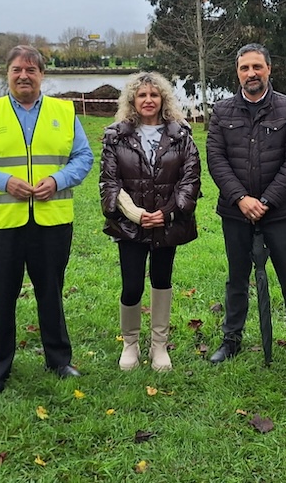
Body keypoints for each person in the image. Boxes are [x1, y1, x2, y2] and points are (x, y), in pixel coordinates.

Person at [0, 45, 93, 397]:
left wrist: (57, 181)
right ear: (8, 74)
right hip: (2, 222)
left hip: (51, 221)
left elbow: (84, 157)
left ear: (42, 75)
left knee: (52, 292)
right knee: (1, 297)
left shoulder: (64, 112)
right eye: (17, 69)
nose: (23, 76)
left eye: (31, 70)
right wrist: (3, 181)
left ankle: (59, 360)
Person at [205, 43, 286, 367]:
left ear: (269, 69)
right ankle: (231, 340)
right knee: (236, 278)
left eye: (257, 67)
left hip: (281, 212)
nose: (251, 73)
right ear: (238, 73)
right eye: (245, 68)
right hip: (236, 212)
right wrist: (242, 199)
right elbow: (216, 160)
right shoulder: (222, 111)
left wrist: (267, 201)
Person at [99, 71, 201, 372]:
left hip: (166, 225)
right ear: (133, 99)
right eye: (142, 95)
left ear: (163, 99)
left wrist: (168, 212)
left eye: (154, 95)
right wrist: (134, 213)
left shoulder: (181, 135)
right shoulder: (115, 136)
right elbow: (109, 182)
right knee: (131, 287)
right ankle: (130, 344)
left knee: (161, 281)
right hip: (130, 226)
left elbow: (190, 179)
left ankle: (159, 345)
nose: (148, 100)